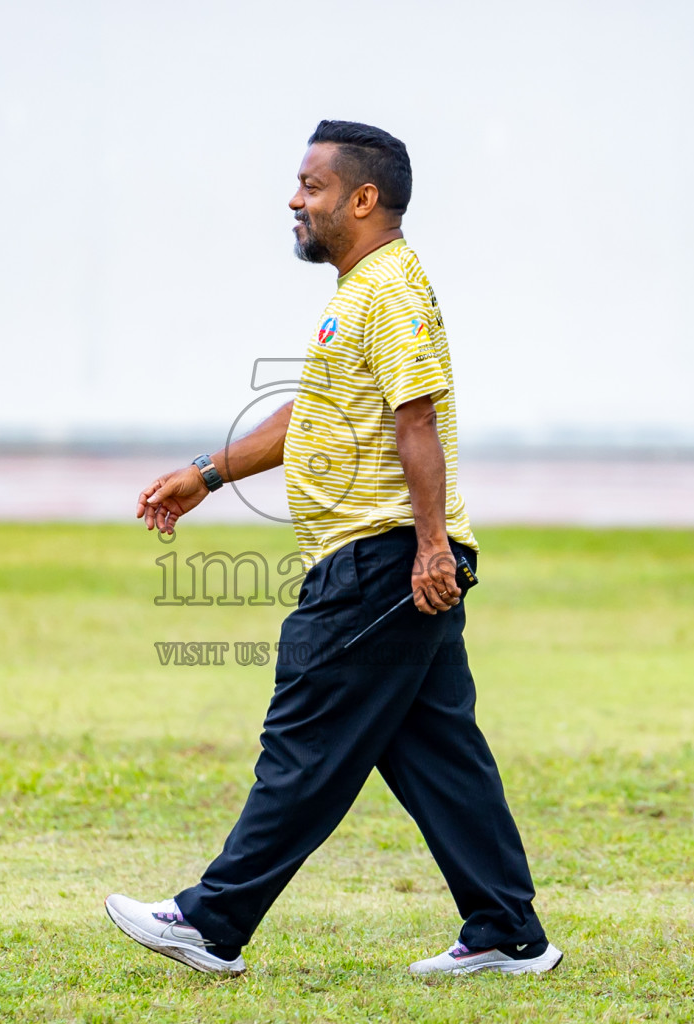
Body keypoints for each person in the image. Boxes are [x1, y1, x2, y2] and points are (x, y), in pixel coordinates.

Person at [106, 120, 559, 978]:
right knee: (438, 753)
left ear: (362, 198)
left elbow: (415, 418)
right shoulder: (359, 293)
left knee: (306, 741)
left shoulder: (388, 288)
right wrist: (205, 474)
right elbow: (308, 418)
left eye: (311, 187)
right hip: (395, 558)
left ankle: (211, 922)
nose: (294, 200)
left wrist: (430, 549)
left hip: (382, 561)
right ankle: (508, 932)